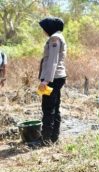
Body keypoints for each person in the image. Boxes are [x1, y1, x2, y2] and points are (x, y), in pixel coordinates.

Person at [38, 16, 67, 145]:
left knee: (48, 108)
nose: (43, 31)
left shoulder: (54, 38)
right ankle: (53, 137)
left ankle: (46, 139)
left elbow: (53, 61)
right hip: (57, 77)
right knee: (54, 106)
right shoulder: (58, 36)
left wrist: (46, 80)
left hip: (53, 78)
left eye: (44, 28)